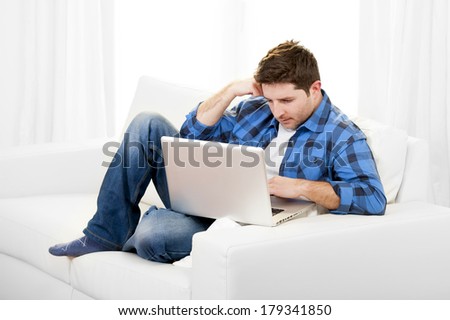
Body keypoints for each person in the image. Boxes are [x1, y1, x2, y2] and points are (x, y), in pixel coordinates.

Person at [49, 40, 386, 263]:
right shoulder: (257, 108)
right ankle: (105, 233)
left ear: (315, 88)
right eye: (270, 99)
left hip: (247, 225)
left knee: (154, 238)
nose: (276, 110)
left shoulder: (342, 135)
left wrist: (300, 187)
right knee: (148, 123)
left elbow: (372, 197)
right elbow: (191, 135)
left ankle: (140, 226)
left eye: (286, 100)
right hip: (209, 198)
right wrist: (229, 92)